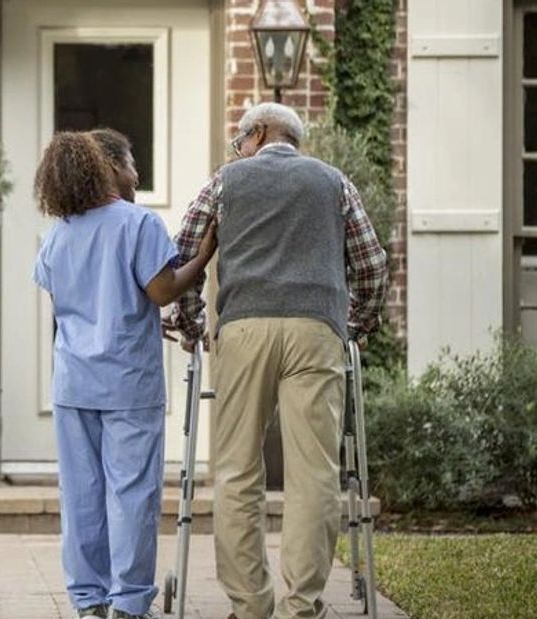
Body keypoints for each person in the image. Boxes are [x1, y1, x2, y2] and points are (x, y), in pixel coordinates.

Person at [166, 102, 389, 619]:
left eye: (240, 140)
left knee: (237, 470)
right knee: (314, 473)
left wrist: (192, 322)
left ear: (259, 133)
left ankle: (249, 606)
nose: (238, 151)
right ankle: (301, 606)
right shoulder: (334, 182)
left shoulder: (225, 181)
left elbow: (183, 255)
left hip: (244, 330)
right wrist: (354, 325)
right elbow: (372, 266)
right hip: (316, 331)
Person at [33, 131, 218, 619]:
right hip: (127, 385)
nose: (137, 175)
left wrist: (125, 317)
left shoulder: (61, 231)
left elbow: (76, 300)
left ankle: (88, 600)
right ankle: (130, 603)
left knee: (81, 496)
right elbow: (161, 291)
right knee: (132, 493)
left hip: (74, 383)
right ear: (109, 167)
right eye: (132, 164)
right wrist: (202, 255)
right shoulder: (139, 223)